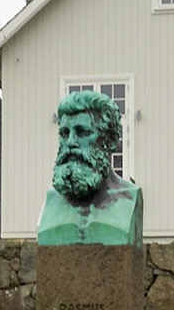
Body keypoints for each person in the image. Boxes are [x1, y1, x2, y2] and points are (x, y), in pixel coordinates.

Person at [37, 89, 143, 246]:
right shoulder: (51, 202)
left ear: (111, 140)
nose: (71, 142)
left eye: (83, 132)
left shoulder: (129, 198)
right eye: (64, 134)